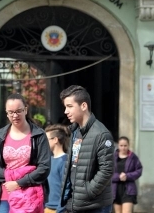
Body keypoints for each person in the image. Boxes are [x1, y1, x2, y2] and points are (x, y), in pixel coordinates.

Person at [0, 94, 51, 213]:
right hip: (5, 196)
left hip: (31, 196)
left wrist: (18, 183)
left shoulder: (39, 135)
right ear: (6, 113)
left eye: (18, 111)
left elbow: (44, 168)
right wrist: (13, 181)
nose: (15, 115)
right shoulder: (0, 135)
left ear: (25, 110)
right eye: (11, 112)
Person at [59, 85, 113, 213]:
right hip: (74, 202)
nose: (66, 111)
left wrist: (88, 192)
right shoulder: (75, 131)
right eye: (65, 107)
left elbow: (107, 170)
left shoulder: (101, 134)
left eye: (70, 106)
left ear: (83, 106)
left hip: (94, 206)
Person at [111, 137, 142, 213]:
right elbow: (108, 173)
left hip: (129, 189)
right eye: (121, 145)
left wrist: (127, 176)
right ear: (118, 145)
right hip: (115, 190)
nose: (123, 148)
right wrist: (118, 177)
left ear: (128, 145)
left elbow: (139, 170)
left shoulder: (133, 157)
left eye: (125, 145)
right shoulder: (113, 157)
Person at [44, 124, 68, 213]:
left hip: (59, 209)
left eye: (46, 139)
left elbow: (66, 189)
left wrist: (60, 210)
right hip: (47, 207)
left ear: (55, 140)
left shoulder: (64, 161)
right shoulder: (48, 160)